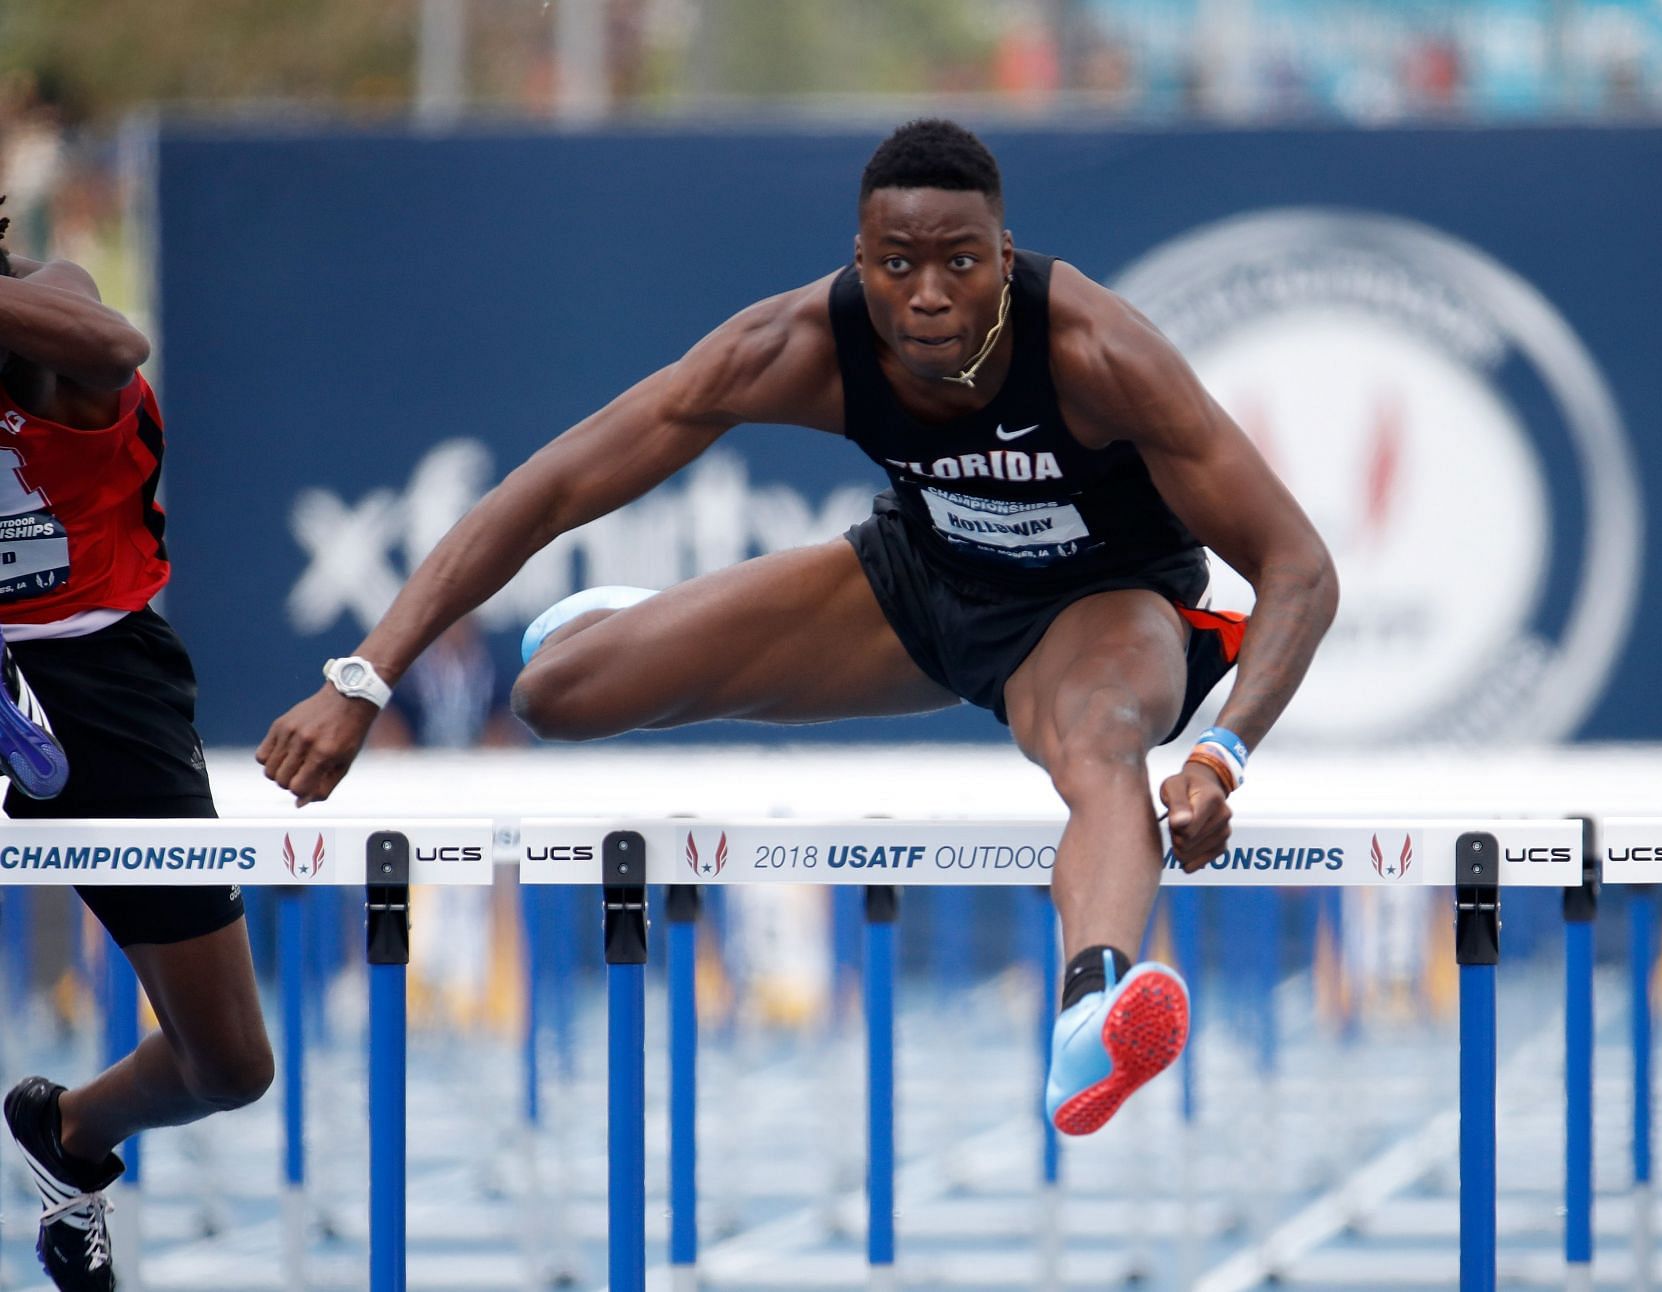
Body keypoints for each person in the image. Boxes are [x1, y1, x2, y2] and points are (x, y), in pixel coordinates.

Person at [259, 119, 1337, 1135]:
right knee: (556, 695)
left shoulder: (1099, 355)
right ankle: (643, 630)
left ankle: (1088, 1011)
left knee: (1103, 741)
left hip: (1104, 608)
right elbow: (548, 489)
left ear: (1005, 258)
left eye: (958, 262)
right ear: (859, 261)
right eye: (895, 265)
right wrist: (362, 677)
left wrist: (1222, 751)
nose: (925, 296)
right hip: (923, 584)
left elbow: (1299, 567)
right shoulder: (799, 344)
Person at [0, 197, 275, 1290]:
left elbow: (121, 347)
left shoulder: (59, 306)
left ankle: (66, 1134)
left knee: (230, 1064)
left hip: (103, 682)